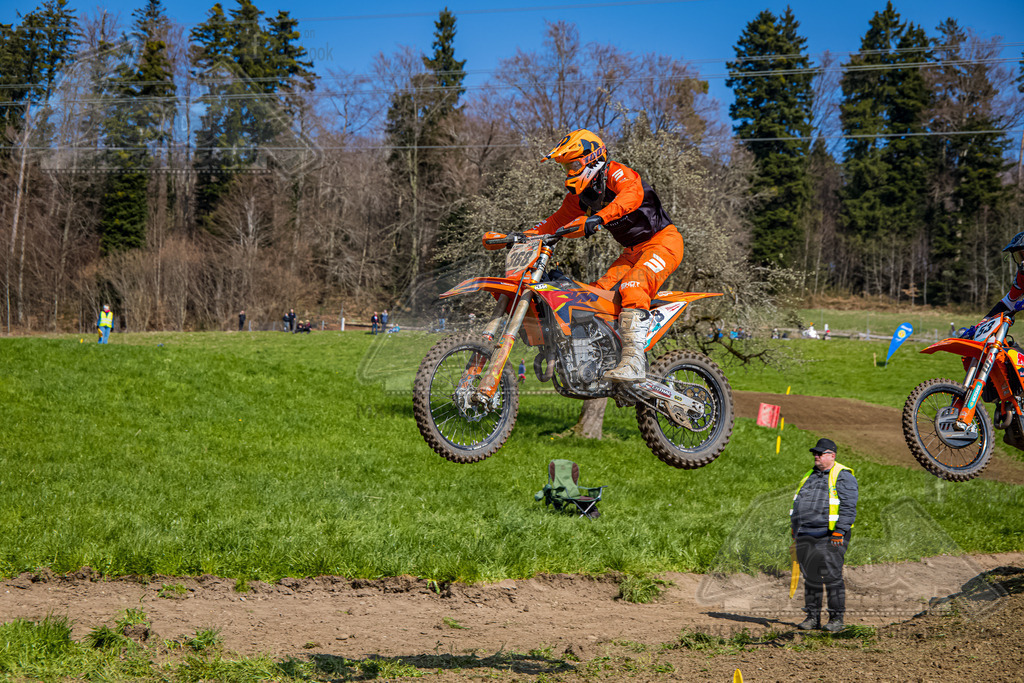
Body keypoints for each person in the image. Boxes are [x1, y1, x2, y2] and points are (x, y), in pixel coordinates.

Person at [528, 128, 684, 382]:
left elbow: (632, 195)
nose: (569, 172)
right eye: (565, 167)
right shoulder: (581, 197)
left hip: (663, 242)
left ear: (593, 159)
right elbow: (552, 222)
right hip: (631, 253)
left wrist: (599, 218)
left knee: (635, 285)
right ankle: (602, 356)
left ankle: (634, 362)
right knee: (594, 296)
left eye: (573, 164)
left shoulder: (617, 173)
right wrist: (518, 238)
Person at [790, 438, 858, 633]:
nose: (816, 456)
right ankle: (813, 618)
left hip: (831, 536)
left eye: (820, 453)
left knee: (832, 577)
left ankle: (836, 619)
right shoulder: (810, 475)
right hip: (806, 534)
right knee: (811, 577)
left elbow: (848, 507)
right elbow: (798, 503)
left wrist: (839, 531)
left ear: (832, 456)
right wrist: (795, 530)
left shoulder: (842, 475)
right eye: (815, 454)